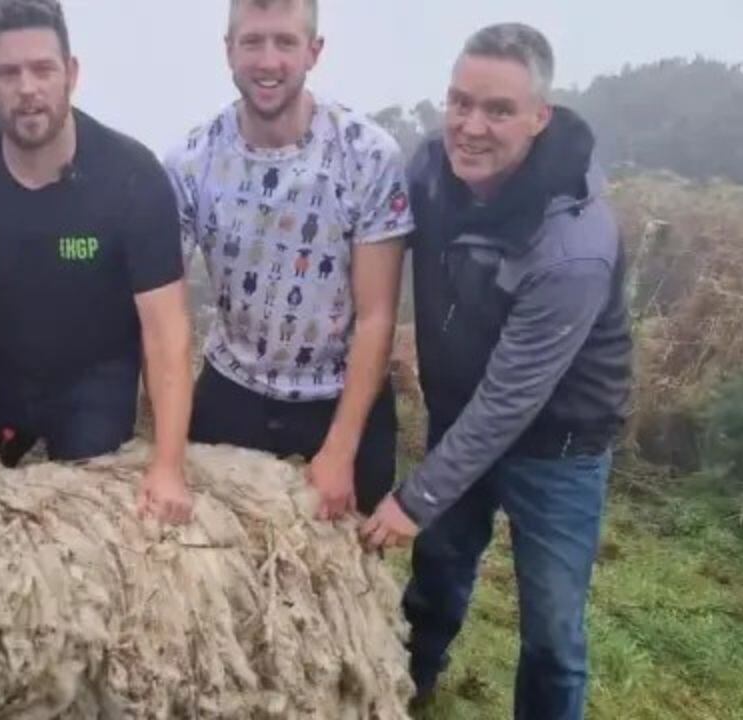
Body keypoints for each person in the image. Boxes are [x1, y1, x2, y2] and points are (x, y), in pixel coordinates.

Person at [359, 23, 633, 720]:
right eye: (459, 102)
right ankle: (406, 690)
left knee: (550, 627)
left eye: (498, 110)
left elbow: (511, 401)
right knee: (438, 575)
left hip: (559, 444)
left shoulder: (573, 244)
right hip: (459, 413)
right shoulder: (428, 174)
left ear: (540, 118)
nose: (470, 127)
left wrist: (413, 500)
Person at [0, 0, 195, 523]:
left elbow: (167, 329)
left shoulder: (131, 177)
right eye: (8, 72)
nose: (27, 88)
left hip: (95, 381)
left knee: (89, 529)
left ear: (70, 72)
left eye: (43, 69)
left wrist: (168, 464)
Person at [164, 0, 412, 520]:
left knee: (342, 578)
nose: (268, 61)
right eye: (252, 42)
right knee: (216, 567)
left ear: (313, 52)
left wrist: (341, 450)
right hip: (234, 391)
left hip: (340, 397)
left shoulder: (367, 156)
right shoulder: (191, 162)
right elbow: (165, 309)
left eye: (285, 42)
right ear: (229, 49)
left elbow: (376, 317)